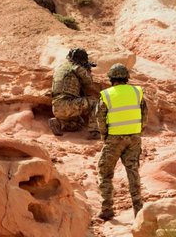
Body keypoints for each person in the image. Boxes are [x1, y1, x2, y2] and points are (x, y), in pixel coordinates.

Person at [95, 63, 147, 220]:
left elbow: (100, 118)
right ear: (126, 78)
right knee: (133, 171)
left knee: (105, 172)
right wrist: (138, 131)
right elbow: (144, 114)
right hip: (134, 137)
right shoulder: (137, 92)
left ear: (111, 79)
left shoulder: (107, 94)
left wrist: (105, 136)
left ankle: (107, 208)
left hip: (114, 138)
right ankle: (139, 210)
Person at [49, 47, 99, 137]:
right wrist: (87, 70)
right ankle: (94, 132)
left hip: (56, 106)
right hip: (68, 104)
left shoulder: (61, 67)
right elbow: (88, 82)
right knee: (94, 102)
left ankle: (59, 122)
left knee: (78, 124)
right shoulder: (76, 67)